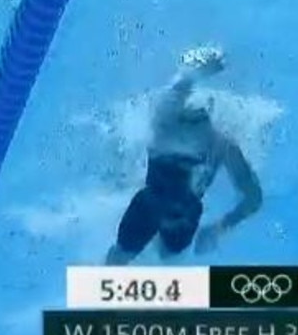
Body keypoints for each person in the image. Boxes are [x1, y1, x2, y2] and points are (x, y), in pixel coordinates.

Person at [105, 46, 263, 264]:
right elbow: (181, 83)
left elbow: (254, 198)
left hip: (182, 212)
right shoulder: (167, 121)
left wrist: (219, 228)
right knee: (121, 257)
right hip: (154, 205)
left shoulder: (222, 145)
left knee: (167, 254)